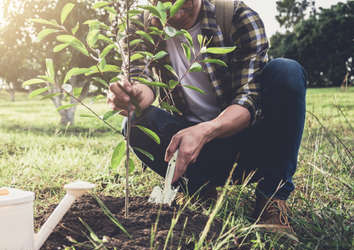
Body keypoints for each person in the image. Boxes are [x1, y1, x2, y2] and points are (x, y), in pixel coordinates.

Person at [107, 0, 307, 230]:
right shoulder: (140, 27)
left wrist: (206, 130)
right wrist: (133, 97)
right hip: (190, 152)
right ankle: (199, 188)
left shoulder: (238, 17)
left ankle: (271, 199)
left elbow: (247, 100)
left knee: (286, 71)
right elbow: (141, 79)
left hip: (248, 146)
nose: (173, 3)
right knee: (134, 123)